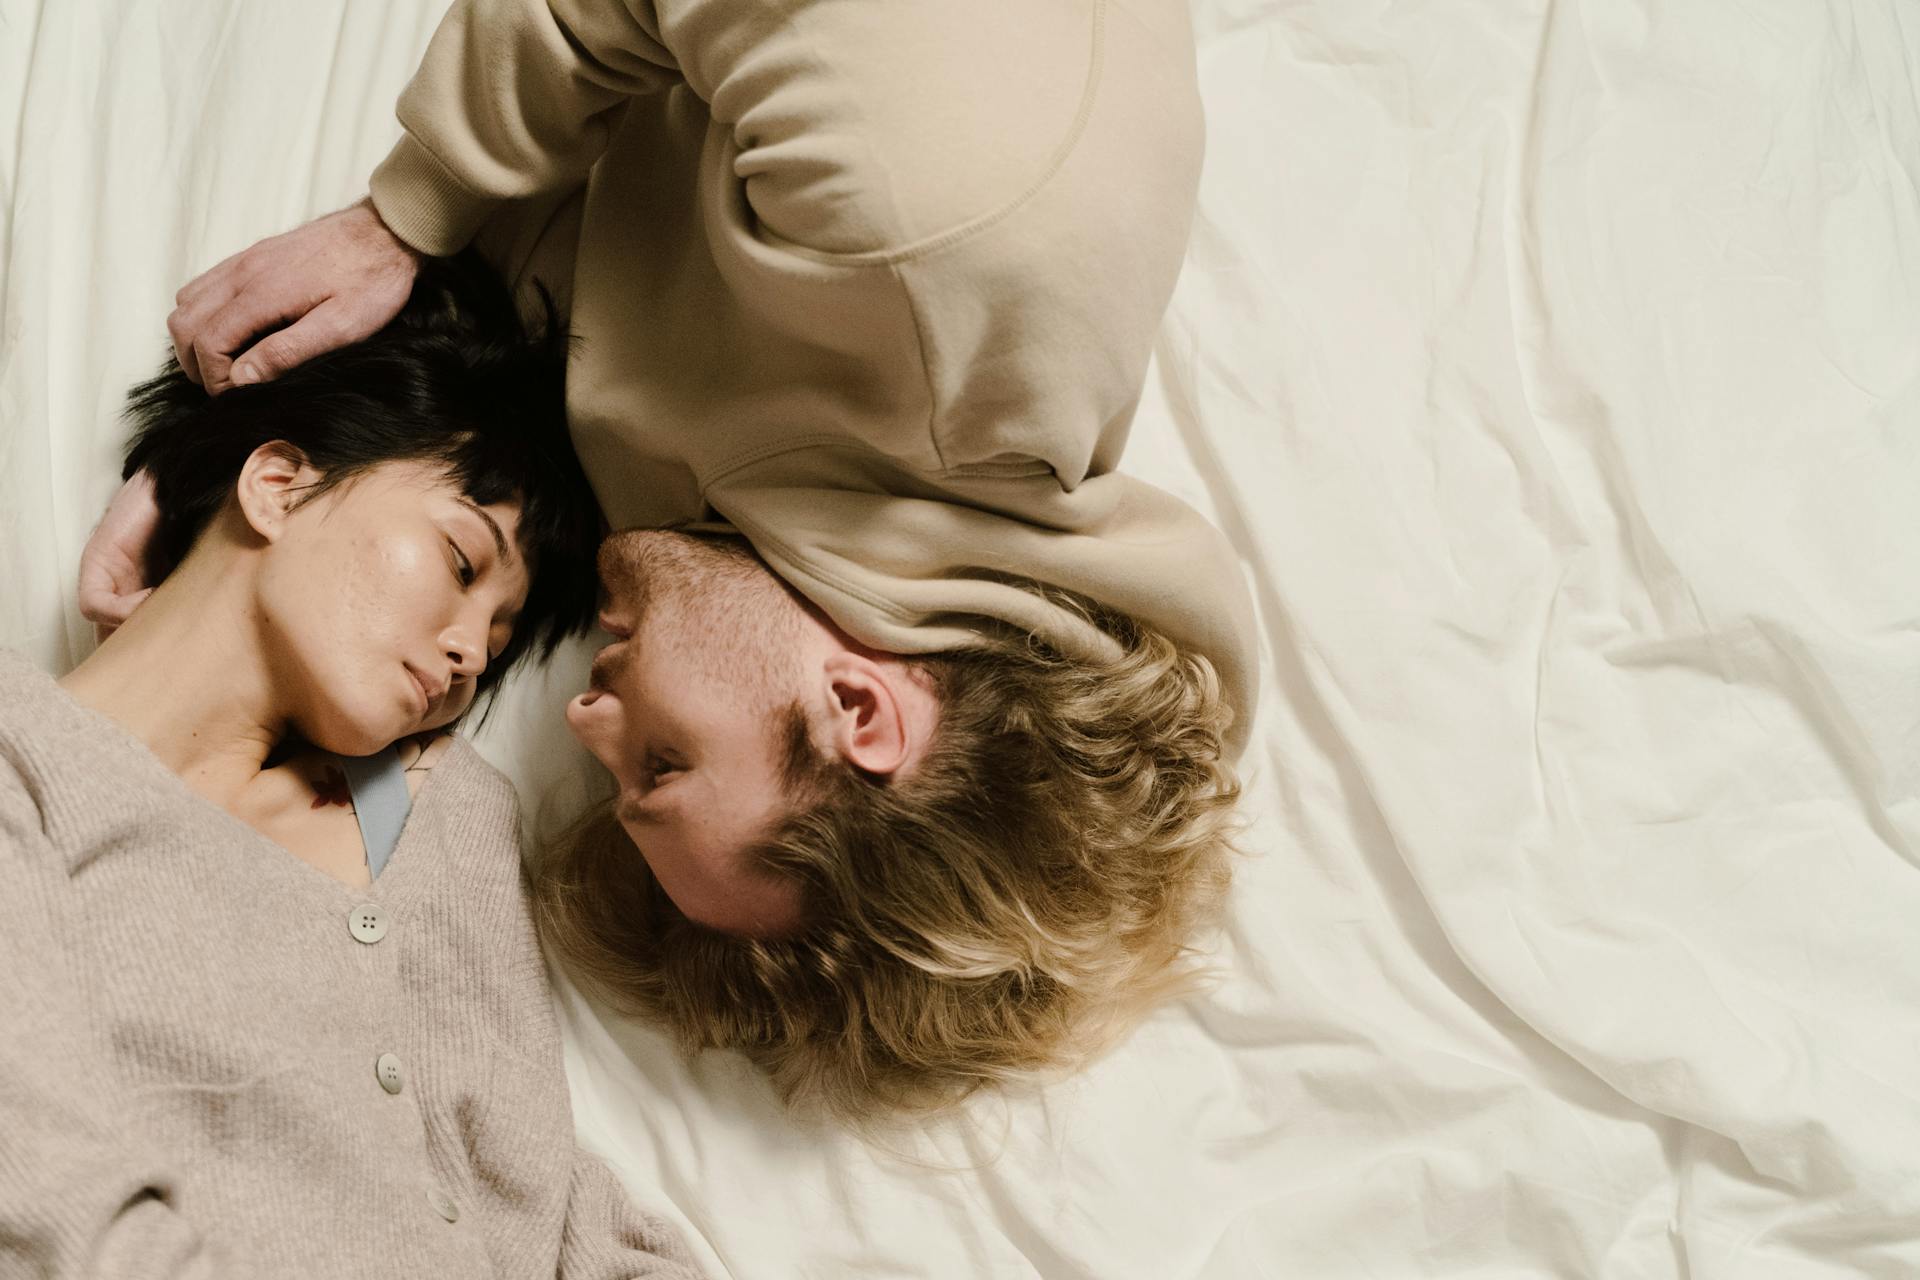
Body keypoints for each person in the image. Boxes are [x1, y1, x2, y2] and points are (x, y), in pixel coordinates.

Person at [84, 0, 1261, 1118]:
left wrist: (212, 474)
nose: (587, 720)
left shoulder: (749, 559)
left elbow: (535, 345)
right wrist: (409, 205)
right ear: (860, 706)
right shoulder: (961, 232)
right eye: (661, 761)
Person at [5, 254, 702, 1277]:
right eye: (461, 564)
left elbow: (553, 1205)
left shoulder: (442, 810)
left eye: (500, 639)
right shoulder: (27, 759)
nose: (471, 651)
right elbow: (48, 1206)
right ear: (279, 483)